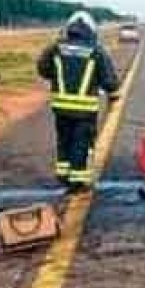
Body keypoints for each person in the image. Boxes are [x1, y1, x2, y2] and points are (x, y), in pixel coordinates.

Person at [37, 11, 119, 192]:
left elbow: (43, 69)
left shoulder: (55, 48)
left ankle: (63, 174)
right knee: (81, 143)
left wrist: (58, 77)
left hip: (60, 107)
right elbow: (109, 81)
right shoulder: (96, 51)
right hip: (85, 110)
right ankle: (77, 181)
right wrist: (113, 94)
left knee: (64, 140)